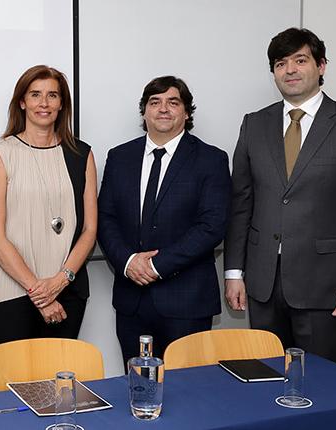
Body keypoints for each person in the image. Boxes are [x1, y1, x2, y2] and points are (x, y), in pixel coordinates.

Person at [224, 28, 336, 366]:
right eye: (281, 64)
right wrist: (234, 273)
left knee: (323, 389)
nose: (290, 70)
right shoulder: (254, 124)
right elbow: (241, 203)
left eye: (300, 60)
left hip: (327, 287)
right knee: (267, 385)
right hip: (263, 284)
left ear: (321, 66)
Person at [97, 76, 231, 363]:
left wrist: (156, 265)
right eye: (154, 102)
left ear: (186, 112)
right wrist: (129, 262)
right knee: (137, 388)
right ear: (144, 111)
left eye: (173, 102)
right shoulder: (120, 157)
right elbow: (105, 218)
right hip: (131, 300)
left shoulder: (211, 159)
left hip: (187, 301)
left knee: (187, 393)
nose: (163, 109)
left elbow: (211, 227)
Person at [0, 65, 97, 345]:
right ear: (22, 102)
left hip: (67, 290)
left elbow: (90, 230)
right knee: (16, 384)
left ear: (62, 104)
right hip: (11, 292)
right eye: (35, 95)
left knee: (60, 386)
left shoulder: (81, 154)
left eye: (52, 96)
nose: (44, 103)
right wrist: (40, 294)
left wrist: (60, 281)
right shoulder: (1, 154)